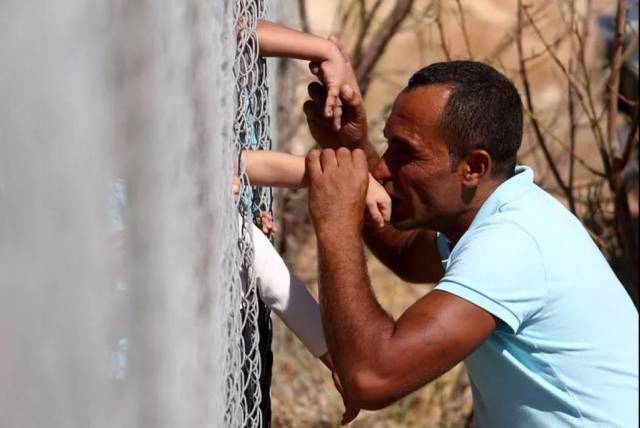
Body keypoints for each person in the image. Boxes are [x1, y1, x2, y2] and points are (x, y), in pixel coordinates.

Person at [302, 56, 639, 426]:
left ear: (474, 168)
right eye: (388, 147)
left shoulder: (513, 244)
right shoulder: (500, 213)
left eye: (407, 152)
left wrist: (337, 223)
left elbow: (371, 377)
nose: (381, 168)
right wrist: (350, 146)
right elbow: (406, 252)